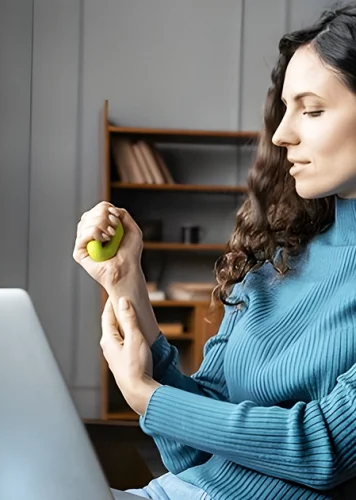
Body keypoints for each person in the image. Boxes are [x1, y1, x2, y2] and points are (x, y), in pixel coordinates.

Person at [73, 3, 356, 499]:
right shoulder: (276, 262)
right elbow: (194, 452)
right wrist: (126, 283)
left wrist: (146, 396)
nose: (282, 133)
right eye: (285, 109)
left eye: (311, 110)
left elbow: (324, 448)